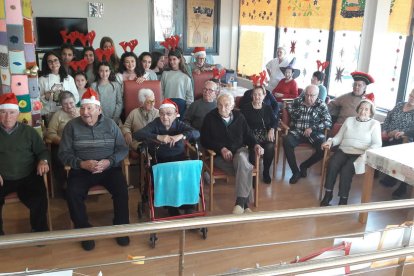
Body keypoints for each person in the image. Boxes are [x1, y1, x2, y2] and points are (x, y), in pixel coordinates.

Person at [59, 89, 130, 251]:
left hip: (108, 168)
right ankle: (84, 231)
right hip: (82, 169)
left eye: (90, 108)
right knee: (72, 192)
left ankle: (121, 227)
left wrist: (109, 161)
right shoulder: (71, 126)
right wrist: (81, 164)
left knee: (122, 190)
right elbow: (63, 153)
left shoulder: (111, 124)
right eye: (83, 108)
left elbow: (122, 149)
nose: (85, 112)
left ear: (99, 110)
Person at [133, 99, 200, 216]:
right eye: (162, 113)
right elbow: (137, 135)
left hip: (179, 157)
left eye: (169, 114)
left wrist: (181, 135)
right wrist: (159, 136)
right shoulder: (156, 124)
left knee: (189, 171)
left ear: (175, 115)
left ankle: (189, 205)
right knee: (168, 173)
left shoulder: (179, 124)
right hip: (160, 158)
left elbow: (196, 133)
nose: (165, 117)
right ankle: (171, 207)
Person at [201, 93, 264, 214]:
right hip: (220, 157)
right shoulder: (210, 118)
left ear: (232, 106)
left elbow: (248, 135)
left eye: (226, 105)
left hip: (240, 151)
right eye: (219, 105)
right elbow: (205, 140)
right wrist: (221, 148)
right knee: (245, 167)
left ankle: (240, 202)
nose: (222, 108)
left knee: (241, 158)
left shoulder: (239, 116)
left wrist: (256, 144)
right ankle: (245, 205)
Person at [0, 93, 50, 235]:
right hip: (3, 178)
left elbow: (42, 151)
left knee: (39, 198)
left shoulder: (28, 132)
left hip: (27, 176)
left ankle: (39, 231)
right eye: (3, 112)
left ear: (18, 113)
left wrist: (43, 161)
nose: (7, 117)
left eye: (11, 112)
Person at [320, 98, 381, 206]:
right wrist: (330, 142)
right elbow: (338, 137)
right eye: (361, 108)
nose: (363, 111)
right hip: (344, 150)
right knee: (332, 164)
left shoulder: (375, 124)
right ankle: (328, 194)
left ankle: (343, 199)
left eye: (366, 109)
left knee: (346, 170)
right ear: (357, 109)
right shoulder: (349, 120)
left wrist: (367, 152)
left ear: (371, 112)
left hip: (360, 154)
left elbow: (377, 144)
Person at [282, 85, 332, 184]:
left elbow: (328, 122)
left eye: (312, 96)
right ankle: (295, 172)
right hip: (298, 131)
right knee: (286, 140)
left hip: (315, 133)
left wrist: (313, 128)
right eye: (307, 95)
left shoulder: (321, 105)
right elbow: (288, 108)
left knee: (323, 148)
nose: (308, 98)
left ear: (317, 95)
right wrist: (296, 116)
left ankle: (304, 166)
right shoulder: (298, 101)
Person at [380, 88, 414, 198]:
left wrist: (403, 132)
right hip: (389, 134)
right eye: (411, 95)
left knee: (400, 148)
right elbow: (388, 118)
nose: (412, 98)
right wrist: (385, 130)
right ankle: (390, 176)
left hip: (405, 139)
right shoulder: (399, 105)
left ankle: (400, 183)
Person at [241, 85, 277, 184]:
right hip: (250, 136)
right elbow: (242, 125)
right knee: (253, 151)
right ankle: (253, 175)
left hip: (264, 135)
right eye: (255, 94)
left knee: (270, 147)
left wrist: (272, 129)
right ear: (252, 95)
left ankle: (266, 172)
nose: (257, 97)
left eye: (260, 94)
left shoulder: (268, 108)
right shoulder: (245, 108)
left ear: (264, 96)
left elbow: (275, 120)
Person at [46, 91, 80, 193]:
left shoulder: (82, 112)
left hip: (81, 144)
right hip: (62, 144)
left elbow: (90, 129)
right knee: (58, 158)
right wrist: (62, 142)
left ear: (75, 101)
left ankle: (81, 183)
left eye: (71, 103)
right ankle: (65, 186)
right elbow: (50, 133)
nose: (69, 106)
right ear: (61, 105)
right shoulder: (58, 115)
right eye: (65, 104)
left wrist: (78, 118)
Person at [39, 51, 79, 121]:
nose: (53, 64)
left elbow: (76, 97)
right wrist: (45, 97)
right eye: (50, 61)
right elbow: (37, 102)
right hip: (50, 114)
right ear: (46, 64)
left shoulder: (69, 78)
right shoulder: (41, 80)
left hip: (67, 113)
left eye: (55, 60)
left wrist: (69, 105)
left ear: (60, 61)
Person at [161, 48, 193, 118]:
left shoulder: (185, 76)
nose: (172, 62)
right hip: (167, 103)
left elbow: (189, 95)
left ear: (179, 60)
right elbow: (161, 90)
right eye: (170, 59)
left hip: (181, 105)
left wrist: (189, 108)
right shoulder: (165, 74)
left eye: (174, 59)